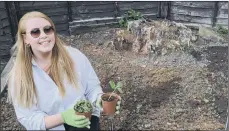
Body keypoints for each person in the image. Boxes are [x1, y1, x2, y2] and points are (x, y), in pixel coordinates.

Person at [7, 11, 121, 130]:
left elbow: (92, 88)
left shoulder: (74, 56)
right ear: (25, 39)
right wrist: (63, 117)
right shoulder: (19, 75)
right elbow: (28, 118)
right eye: (35, 32)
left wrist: (100, 100)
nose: (43, 35)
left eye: (48, 29)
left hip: (86, 122)